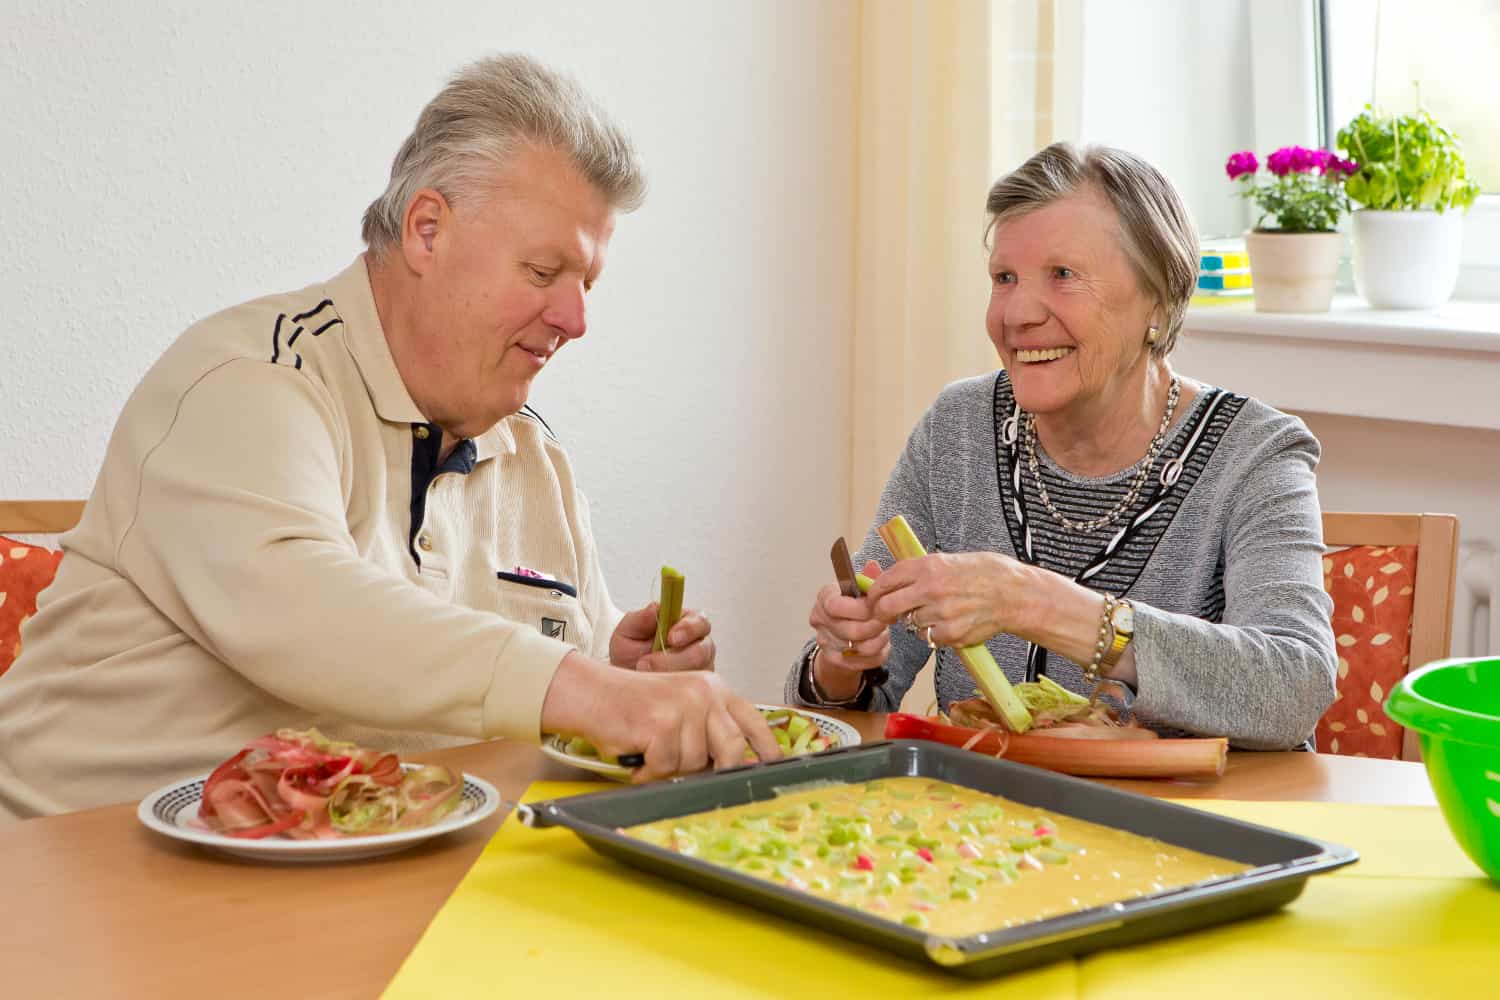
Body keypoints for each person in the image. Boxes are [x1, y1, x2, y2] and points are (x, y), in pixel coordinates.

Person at [0, 54, 778, 820]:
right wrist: (589, 690)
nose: (577, 320)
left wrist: (626, 674)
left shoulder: (535, 459)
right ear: (427, 230)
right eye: (544, 272)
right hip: (74, 866)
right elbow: (303, 613)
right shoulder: (246, 378)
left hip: (387, 873)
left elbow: (553, 681)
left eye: (588, 284)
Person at [786, 143, 1336, 751]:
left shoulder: (1255, 453)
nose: (1018, 313)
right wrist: (842, 661)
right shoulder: (957, 428)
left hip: (1182, 810)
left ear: (1158, 297)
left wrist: (1036, 603)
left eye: (1063, 275)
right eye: (1004, 278)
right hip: (984, 810)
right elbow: (845, 707)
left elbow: (1294, 688)